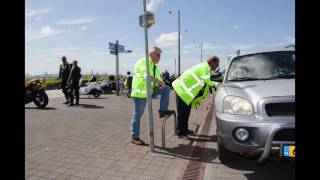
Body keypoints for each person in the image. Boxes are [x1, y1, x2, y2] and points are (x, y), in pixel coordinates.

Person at [130, 47, 175, 145]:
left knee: (166, 89)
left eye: (160, 55)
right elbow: (147, 76)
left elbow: (158, 78)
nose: (159, 57)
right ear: (152, 54)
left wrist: (162, 84)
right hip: (140, 93)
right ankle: (134, 136)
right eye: (158, 55)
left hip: (149, 91)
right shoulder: (143, 62)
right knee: (137, 114)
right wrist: (159, 82)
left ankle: (163, 111)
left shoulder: (154, 66)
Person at [172, 56, 220, 137]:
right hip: (181, 90)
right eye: (217, 64)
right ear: (212, 62)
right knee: (182, 113)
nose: (217, 66)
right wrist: (219, 84)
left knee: (186, 112)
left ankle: (184, 129)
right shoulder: (204, 67)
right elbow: (208, 81)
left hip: (185, 93)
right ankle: (180, 132)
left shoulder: (206, 68)